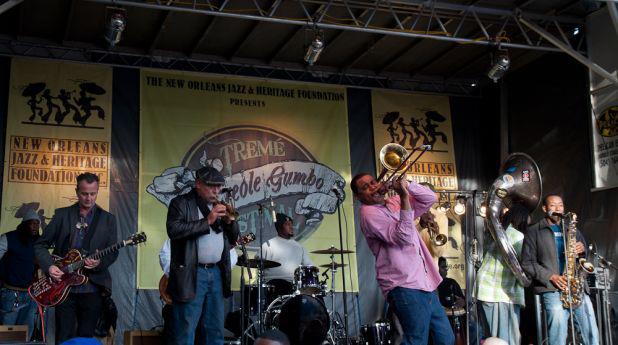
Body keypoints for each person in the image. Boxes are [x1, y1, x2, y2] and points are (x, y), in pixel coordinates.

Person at [352, 173, 454, 345]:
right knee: (416, 340)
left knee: (445, 338)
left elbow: (429, 198)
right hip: (404, 285)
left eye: (373, 182)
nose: (372, 187)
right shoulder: (368, 214)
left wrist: (406, 184)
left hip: (424, 281)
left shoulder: (393, 203)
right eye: (365, 187)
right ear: (357, 196)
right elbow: (403, 236)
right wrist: (404, 196)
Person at [34, 173, 118, 343]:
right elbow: (40, 245)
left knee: (86, 339)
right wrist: (49, 266)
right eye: (84, 193)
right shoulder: (62, 215)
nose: (89, 198)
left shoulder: (108, 219)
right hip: (63, 289)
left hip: (92, 288)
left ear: (97, 191)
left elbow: (112, 252)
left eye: (93, 193)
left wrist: (99, 262)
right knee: (63, 337)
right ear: (77, 191)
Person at [166, 166, 240, 345]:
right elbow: (174, 230)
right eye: (211, 186)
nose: (216, 190)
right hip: (192, 273)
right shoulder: (180, 203)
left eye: (219, 186)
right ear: (198, 184)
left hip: (216, 272)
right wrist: (207, 220)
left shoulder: (220, 206)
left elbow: (233, 238)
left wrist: (230, 223)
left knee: (214, 329)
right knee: (186, 328)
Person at [521, 194, 599, 345]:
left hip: (576, 287)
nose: (558, 209)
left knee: (591, 332)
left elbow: (585, 256)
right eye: (553, 205)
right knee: (558, 333)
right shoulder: (534, 231)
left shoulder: (571, 228)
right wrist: (551, 276)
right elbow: (527, 263)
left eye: (560, 205)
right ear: (545, 208)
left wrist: (582, 251)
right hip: (552, 288)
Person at [476, 203, 528, 345]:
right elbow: (524, 265)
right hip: (500, 293)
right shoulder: (517, 236)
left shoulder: (496, 233)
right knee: (506, 338)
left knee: (491, 336)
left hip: (485, 289)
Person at [0, 209, 40, 338]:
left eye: (37, 224)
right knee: (8, 332)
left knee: (26, 332)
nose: (35, 226)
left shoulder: (38, 243)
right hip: (11, 293)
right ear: (24, 224)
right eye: (32, 223)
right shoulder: (8, 238)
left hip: (31, 294)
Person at [258, 213, 313, 296]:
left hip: (293, 286)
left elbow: (309, 266)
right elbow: (257, 263)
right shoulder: (268, 245)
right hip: (272, 286)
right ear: (279, 227)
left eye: (291, 224)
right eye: (287, 224)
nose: (291, 227)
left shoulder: (299, 247)